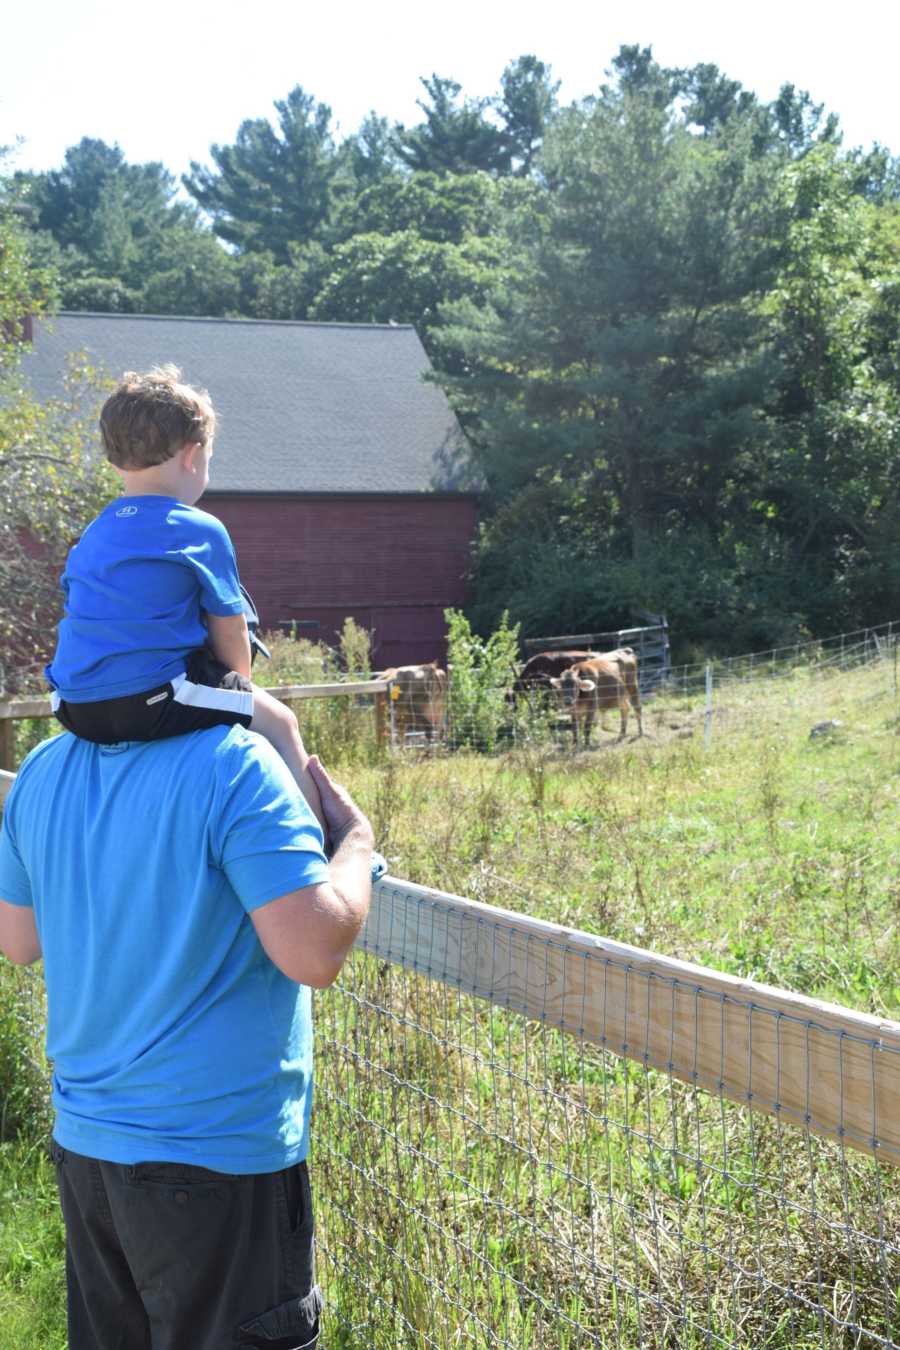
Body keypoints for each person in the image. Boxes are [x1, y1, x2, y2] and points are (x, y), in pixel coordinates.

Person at [0, 720, 375, 1349]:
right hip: (215, 1154)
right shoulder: (235, 765)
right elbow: (316, 952)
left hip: (89, 1152)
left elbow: (17, 942)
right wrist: (356, 848)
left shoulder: (44, 768)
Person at [44, 364, 327, 836]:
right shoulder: (199, 529)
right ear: (192, 456)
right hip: (149, 697)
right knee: (281, 724)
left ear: (116, 462)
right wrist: (241, 690)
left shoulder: (93, 534)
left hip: (71, 705)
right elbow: (230, 626)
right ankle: (320, 846)